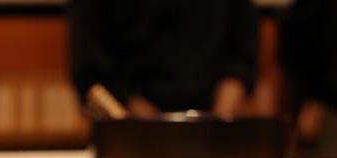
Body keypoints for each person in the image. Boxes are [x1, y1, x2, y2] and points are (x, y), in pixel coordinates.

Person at [67, 0, 259, 117]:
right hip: (129, 135)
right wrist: (152, 127)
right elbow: (90, 73)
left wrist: (218, 123)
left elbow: (242, 57)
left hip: (215, 130)